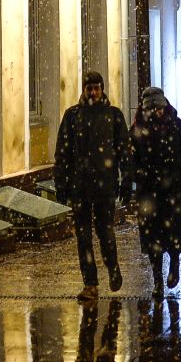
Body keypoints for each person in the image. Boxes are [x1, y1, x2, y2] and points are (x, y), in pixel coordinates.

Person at [54, 69, 132, 300]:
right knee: (83, 236)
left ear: (102, 89)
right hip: (80, 188)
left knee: (105, 231)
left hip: (105, 187)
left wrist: (126, 180)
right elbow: (63, 153)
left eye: (97, 88)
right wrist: (61, 182)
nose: (94, 92)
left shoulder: (113, 116)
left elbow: (124, 152)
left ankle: (113, 267)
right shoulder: (72, 116)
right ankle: (90, 284)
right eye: (90, 88)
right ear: (84, 89)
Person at [128, 86, 181, 301]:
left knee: (173, 231)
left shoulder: (175, 125)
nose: (156, 112)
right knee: (152, 237)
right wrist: (136, 173)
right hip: (149, 190)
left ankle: (174, 263)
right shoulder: (138, 129)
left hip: (172, 188)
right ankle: (157, 280)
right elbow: (131, 158)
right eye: (152, 108)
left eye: (159, 108)